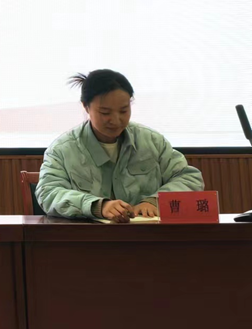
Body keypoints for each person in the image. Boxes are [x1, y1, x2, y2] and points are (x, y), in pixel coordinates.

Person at [36, 69, 204, 223]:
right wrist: (97, 206)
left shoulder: (152, 141)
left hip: (148, 237)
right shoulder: (62, 149)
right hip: (89, 239)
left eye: (123, 110)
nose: (116, 120)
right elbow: (48, 192)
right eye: (105, 113)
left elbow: (189, 178)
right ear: (86, 107)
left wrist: (155, 201)